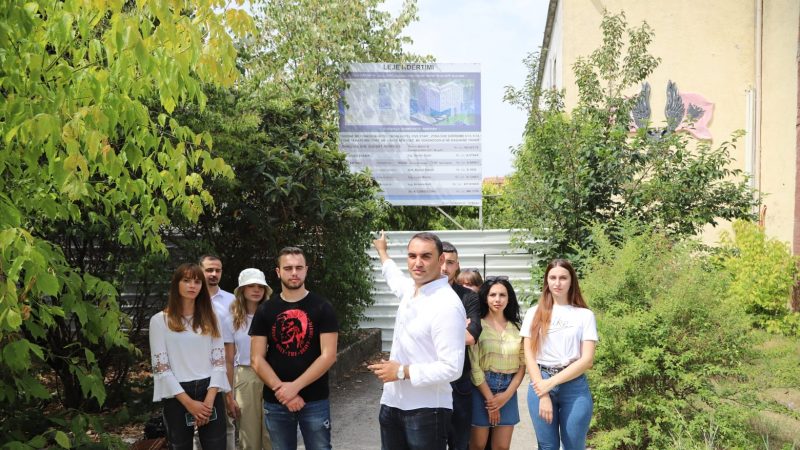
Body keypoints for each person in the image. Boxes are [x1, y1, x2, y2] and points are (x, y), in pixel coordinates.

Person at [369, 231, 466, 450]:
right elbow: (394, 277)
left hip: (427, 411)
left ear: (441, 260)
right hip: (392, 403)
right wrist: (382, 251)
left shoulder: (447, 305)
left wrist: (401, 371)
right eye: (412, 256)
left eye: (426, 256)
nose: (418, 263)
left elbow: (452, 368)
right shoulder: (412, 290)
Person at [250, 247, 339, 450]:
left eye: (299, 267)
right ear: (278, 272)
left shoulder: (323, 307)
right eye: (288, 268)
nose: (294, 273)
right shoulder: (265, 310)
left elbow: (329, 355)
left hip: (315, 400)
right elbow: (256, 359)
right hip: (276, 401)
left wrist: (293, 388)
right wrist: (282, 391)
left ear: (306, 270)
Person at [150, 263, 230, 450]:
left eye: (197, 281)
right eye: (186, 281)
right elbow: (162, 369)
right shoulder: (159, 321)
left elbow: (219, 362)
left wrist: (209, 401)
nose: (192, 286)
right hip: (177, 395)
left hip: (210, 390)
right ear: (176, 284)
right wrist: (189, 403)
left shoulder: (211, 317)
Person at [521, 259, 598, 450]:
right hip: (540, 381)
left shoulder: (584, 315)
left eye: (563, 278)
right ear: (546, 281)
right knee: (547, 446)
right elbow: (529, 354)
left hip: (574, 386)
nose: (557, 283)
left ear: (572, 281)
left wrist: (550, 383)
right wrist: (543, 392)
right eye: (552, 278)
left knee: (574, 446)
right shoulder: (533, 313)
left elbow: (587, 360)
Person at [468, 277, 525, 450]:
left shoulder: (517, 327)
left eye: (502, 295)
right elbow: (474, 365)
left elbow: (522, 365)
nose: (497, 299)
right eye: (492, 295)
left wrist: (506, 395)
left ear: (509, 298)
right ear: (485, 298)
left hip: (508, 389)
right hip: (481, 388)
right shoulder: (477, 326)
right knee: (478, 446)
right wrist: (491, 400)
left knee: (501, 447)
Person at [222, 268, 273, 450]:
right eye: (251, 285)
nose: (256, 290)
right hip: (244, 375)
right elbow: (228, 360)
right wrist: (229, 395)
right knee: (248, 437)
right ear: (242, 289)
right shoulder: (230, 320)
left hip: (272, 375)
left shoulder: (274, 316)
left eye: (260, 286)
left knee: (272, 434)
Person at [441, 242, 482, 450]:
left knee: (460, 444)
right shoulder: (420, 295)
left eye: (450, 262)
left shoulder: (468, 297)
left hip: (459, 381)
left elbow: (471, 336)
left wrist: (436, 333)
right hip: (428, 381)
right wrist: (458, 328)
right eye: (441, 261)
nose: (444, 268)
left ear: (457, 265)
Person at [199, 254, 236, 449]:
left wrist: (229, 384)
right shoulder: (189, 299)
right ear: (200, 270)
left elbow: (231, 344)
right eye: (209, 270)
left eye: (217, 270)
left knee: (227, 421)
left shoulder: (231, 301)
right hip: (196, 371)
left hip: (224, 369)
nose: (213, 274)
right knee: (196, 423)